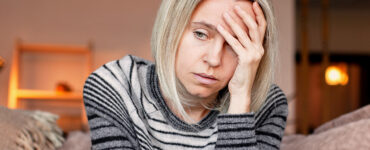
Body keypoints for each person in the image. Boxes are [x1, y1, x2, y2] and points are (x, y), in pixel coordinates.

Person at [83, 0, 288, 149]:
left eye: (236, 43)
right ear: (170, 28)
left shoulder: (267, 104)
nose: (214, 59)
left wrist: (241, 98)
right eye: (200, 34)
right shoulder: (114, 86)